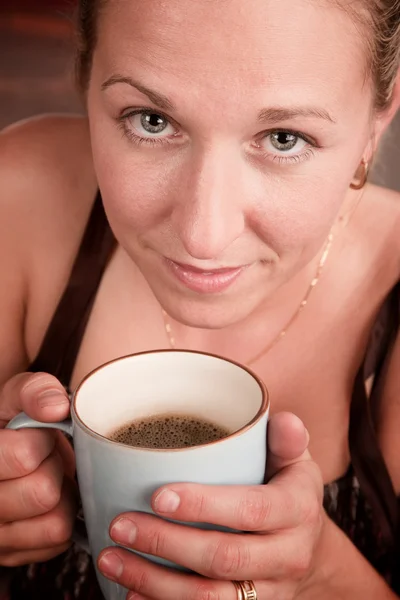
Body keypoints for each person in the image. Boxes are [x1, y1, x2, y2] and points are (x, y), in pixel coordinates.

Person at [0, 0, 399, 598]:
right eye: (150, 120)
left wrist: (320, 573)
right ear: (87, 75)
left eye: (285, 138)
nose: (202, 235)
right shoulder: (18, 197)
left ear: (376, 122)